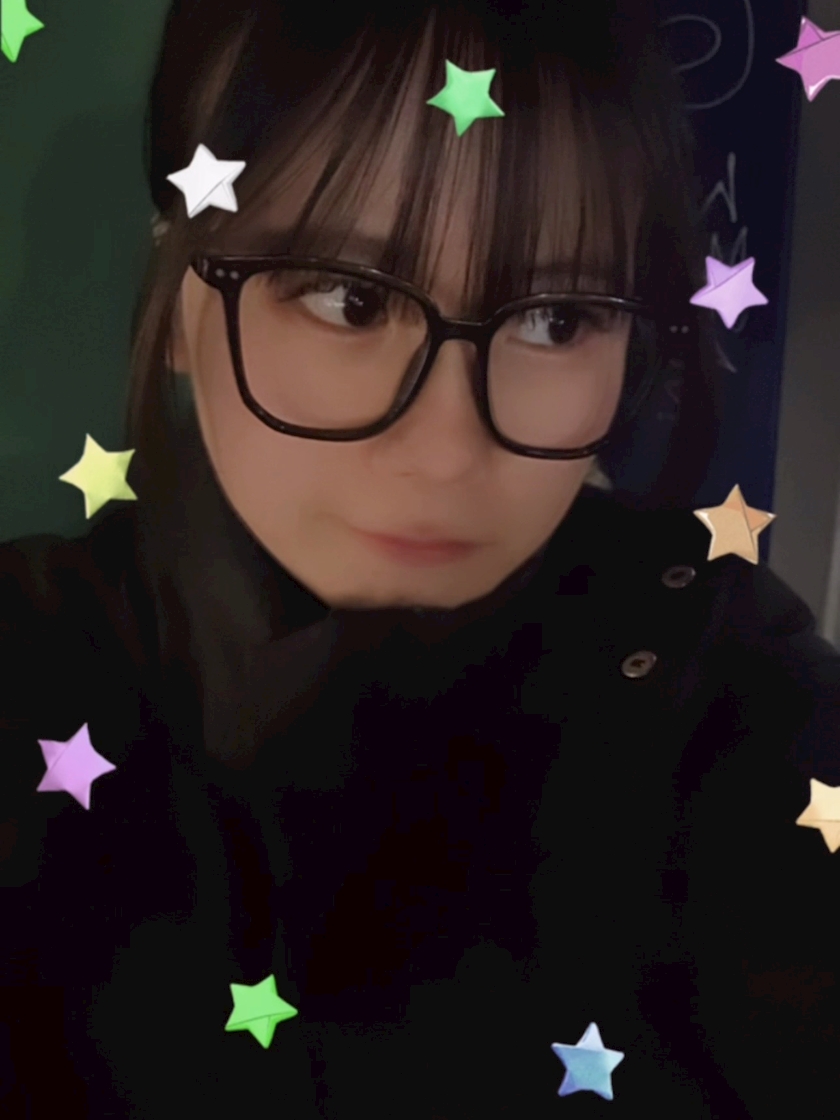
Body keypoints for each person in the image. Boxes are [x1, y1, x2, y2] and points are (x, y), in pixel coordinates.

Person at [1, 1, 837, 1117]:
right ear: (185, 293)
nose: (448, 451)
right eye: (349, 298)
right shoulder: (31, 673)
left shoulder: (716, 677)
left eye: (556, 319)